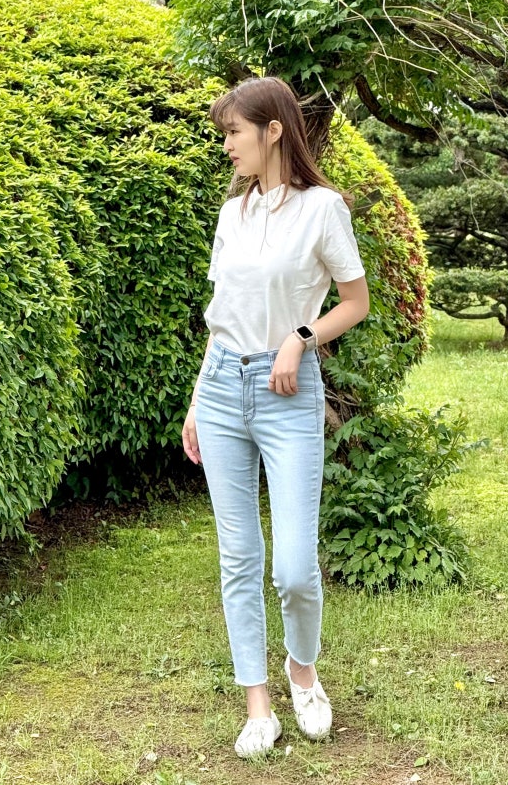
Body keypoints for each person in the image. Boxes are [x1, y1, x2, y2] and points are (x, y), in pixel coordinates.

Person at [181, 76, 369, 759]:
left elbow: (355, 302)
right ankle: (257, 704)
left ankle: (303, 672)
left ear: (273, 130)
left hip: (288, 392)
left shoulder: (322, 209)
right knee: (239, 556)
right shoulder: (232, 214)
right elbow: (220, 318)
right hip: (221, 388)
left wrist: (300, 337)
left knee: (293, 566)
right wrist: (197, 401)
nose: (227, 145)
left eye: (234, 131)